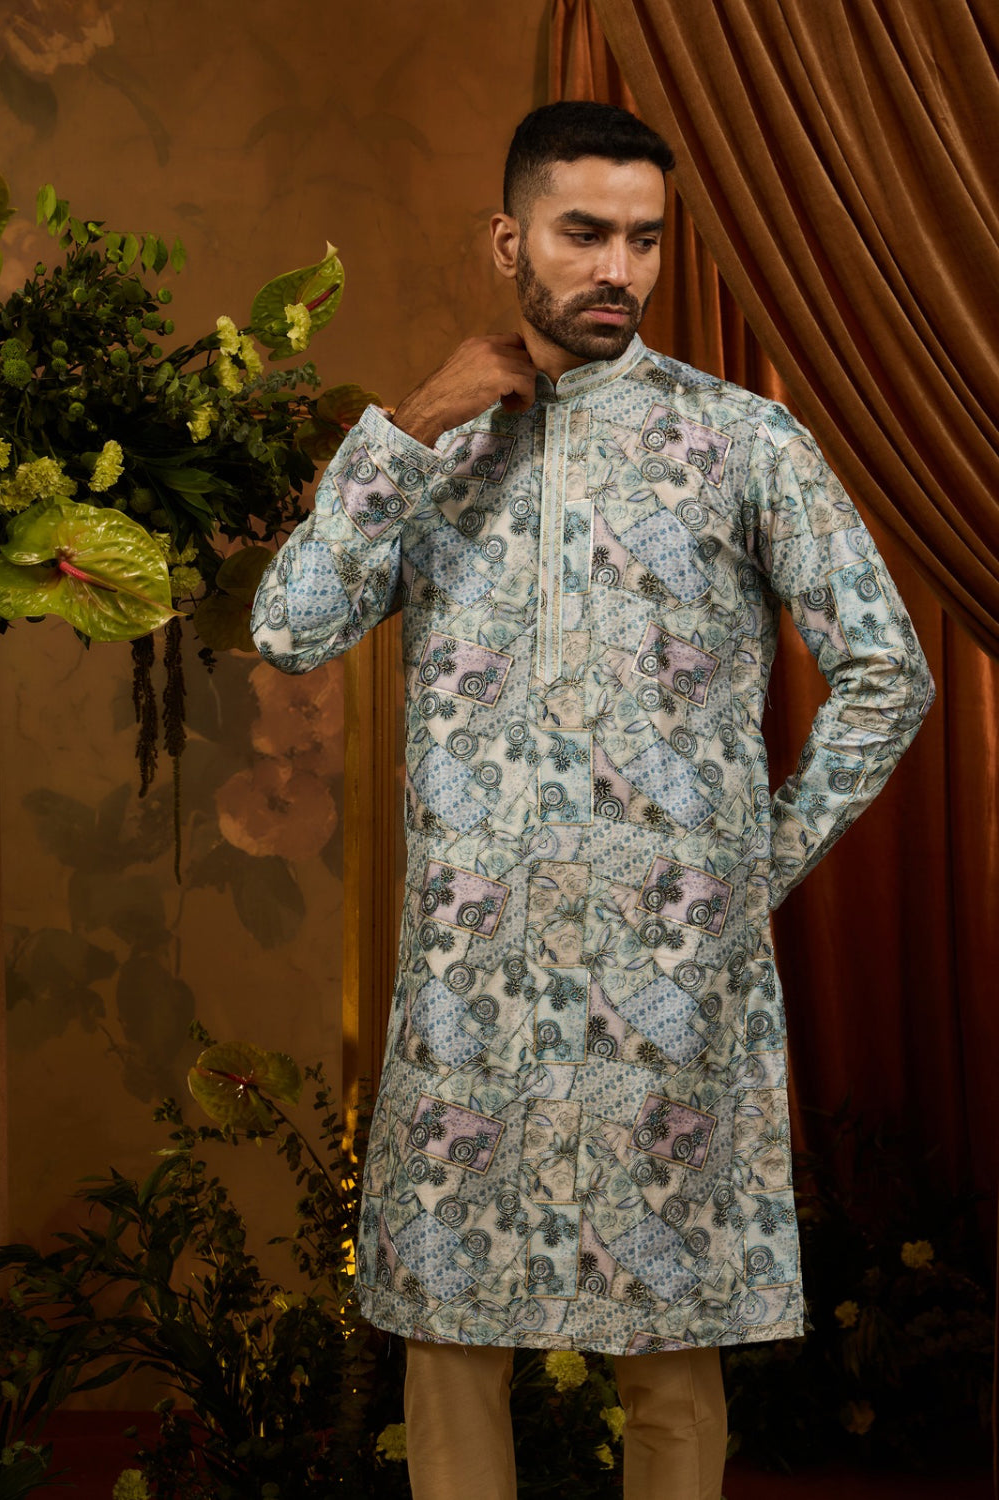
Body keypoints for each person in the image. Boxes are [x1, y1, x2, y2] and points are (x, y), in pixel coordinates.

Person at [251, 101, 933, 1500]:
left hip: (665, 982)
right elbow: (290, 628)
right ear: (510, 242)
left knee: (670, 1354)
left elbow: (888, 672)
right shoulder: (433, 448)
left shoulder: (743, 443)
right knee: (452, 1345)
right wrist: (409, 425)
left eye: (645, 238)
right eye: (584, 234)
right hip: (475, 978)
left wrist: (750, 865)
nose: (619, 267)